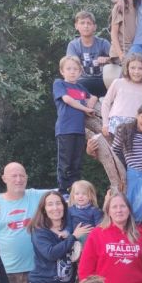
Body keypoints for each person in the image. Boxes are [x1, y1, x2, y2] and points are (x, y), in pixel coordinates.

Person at [52, 56, 99, 196]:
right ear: (62, 71)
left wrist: (91, 104)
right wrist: (85, 109)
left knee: (77, 163)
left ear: (80, 72)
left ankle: (75, 191)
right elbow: (67, 100)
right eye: (69, 69)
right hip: (65, 129)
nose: (72, 72)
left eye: (75, 69)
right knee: (65, 162)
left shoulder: (80, 87)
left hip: (79, 130)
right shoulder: (59, 84)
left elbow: (93, 96)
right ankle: (63, 191)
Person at [101, 53, 142, 138]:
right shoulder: (118, 83)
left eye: (140, 68)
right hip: (115, 127)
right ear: (127, 68)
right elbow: (106, 103)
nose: (136, 72)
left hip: (137, 129)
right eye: (133, 68)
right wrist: (105, 124)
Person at [65, 10, 111, 98]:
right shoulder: (73, 45)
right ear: (76, 26)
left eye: (89, 23)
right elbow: (71, 65)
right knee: (64, 85)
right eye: (82, 23)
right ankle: (87, 100)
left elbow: (117, 61)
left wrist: (107, 59)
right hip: (82, 82)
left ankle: (103, 101)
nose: (86, 26)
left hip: (102, 81)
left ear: (94, 27)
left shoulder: (103, 43)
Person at [109, 0, 139, 65]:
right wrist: (120, 54)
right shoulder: (119, 7)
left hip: (135, 48)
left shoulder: (138, 6)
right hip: (122, 50)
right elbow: (113, 33)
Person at [68, 180, 103, 248]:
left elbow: (99, 226)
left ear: (91, 196)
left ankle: (83, 251)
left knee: (85, 237)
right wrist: (66, 232)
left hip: (89, 236)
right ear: (73, 196)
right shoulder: (70, 210)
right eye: (77, 194)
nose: (80, 196)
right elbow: (68, 225)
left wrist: (94, 233)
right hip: (74, 235)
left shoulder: (95, 211)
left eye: (84, 194)